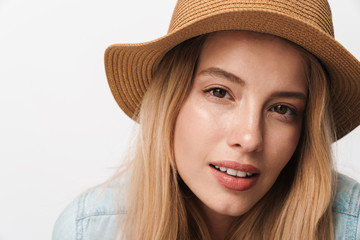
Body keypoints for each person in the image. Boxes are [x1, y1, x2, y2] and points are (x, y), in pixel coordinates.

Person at [52, 0, 360, 239]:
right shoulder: (90, 231)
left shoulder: (351, 227)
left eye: (282, 109)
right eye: (219, 92)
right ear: (170, 100)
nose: (250, 138)